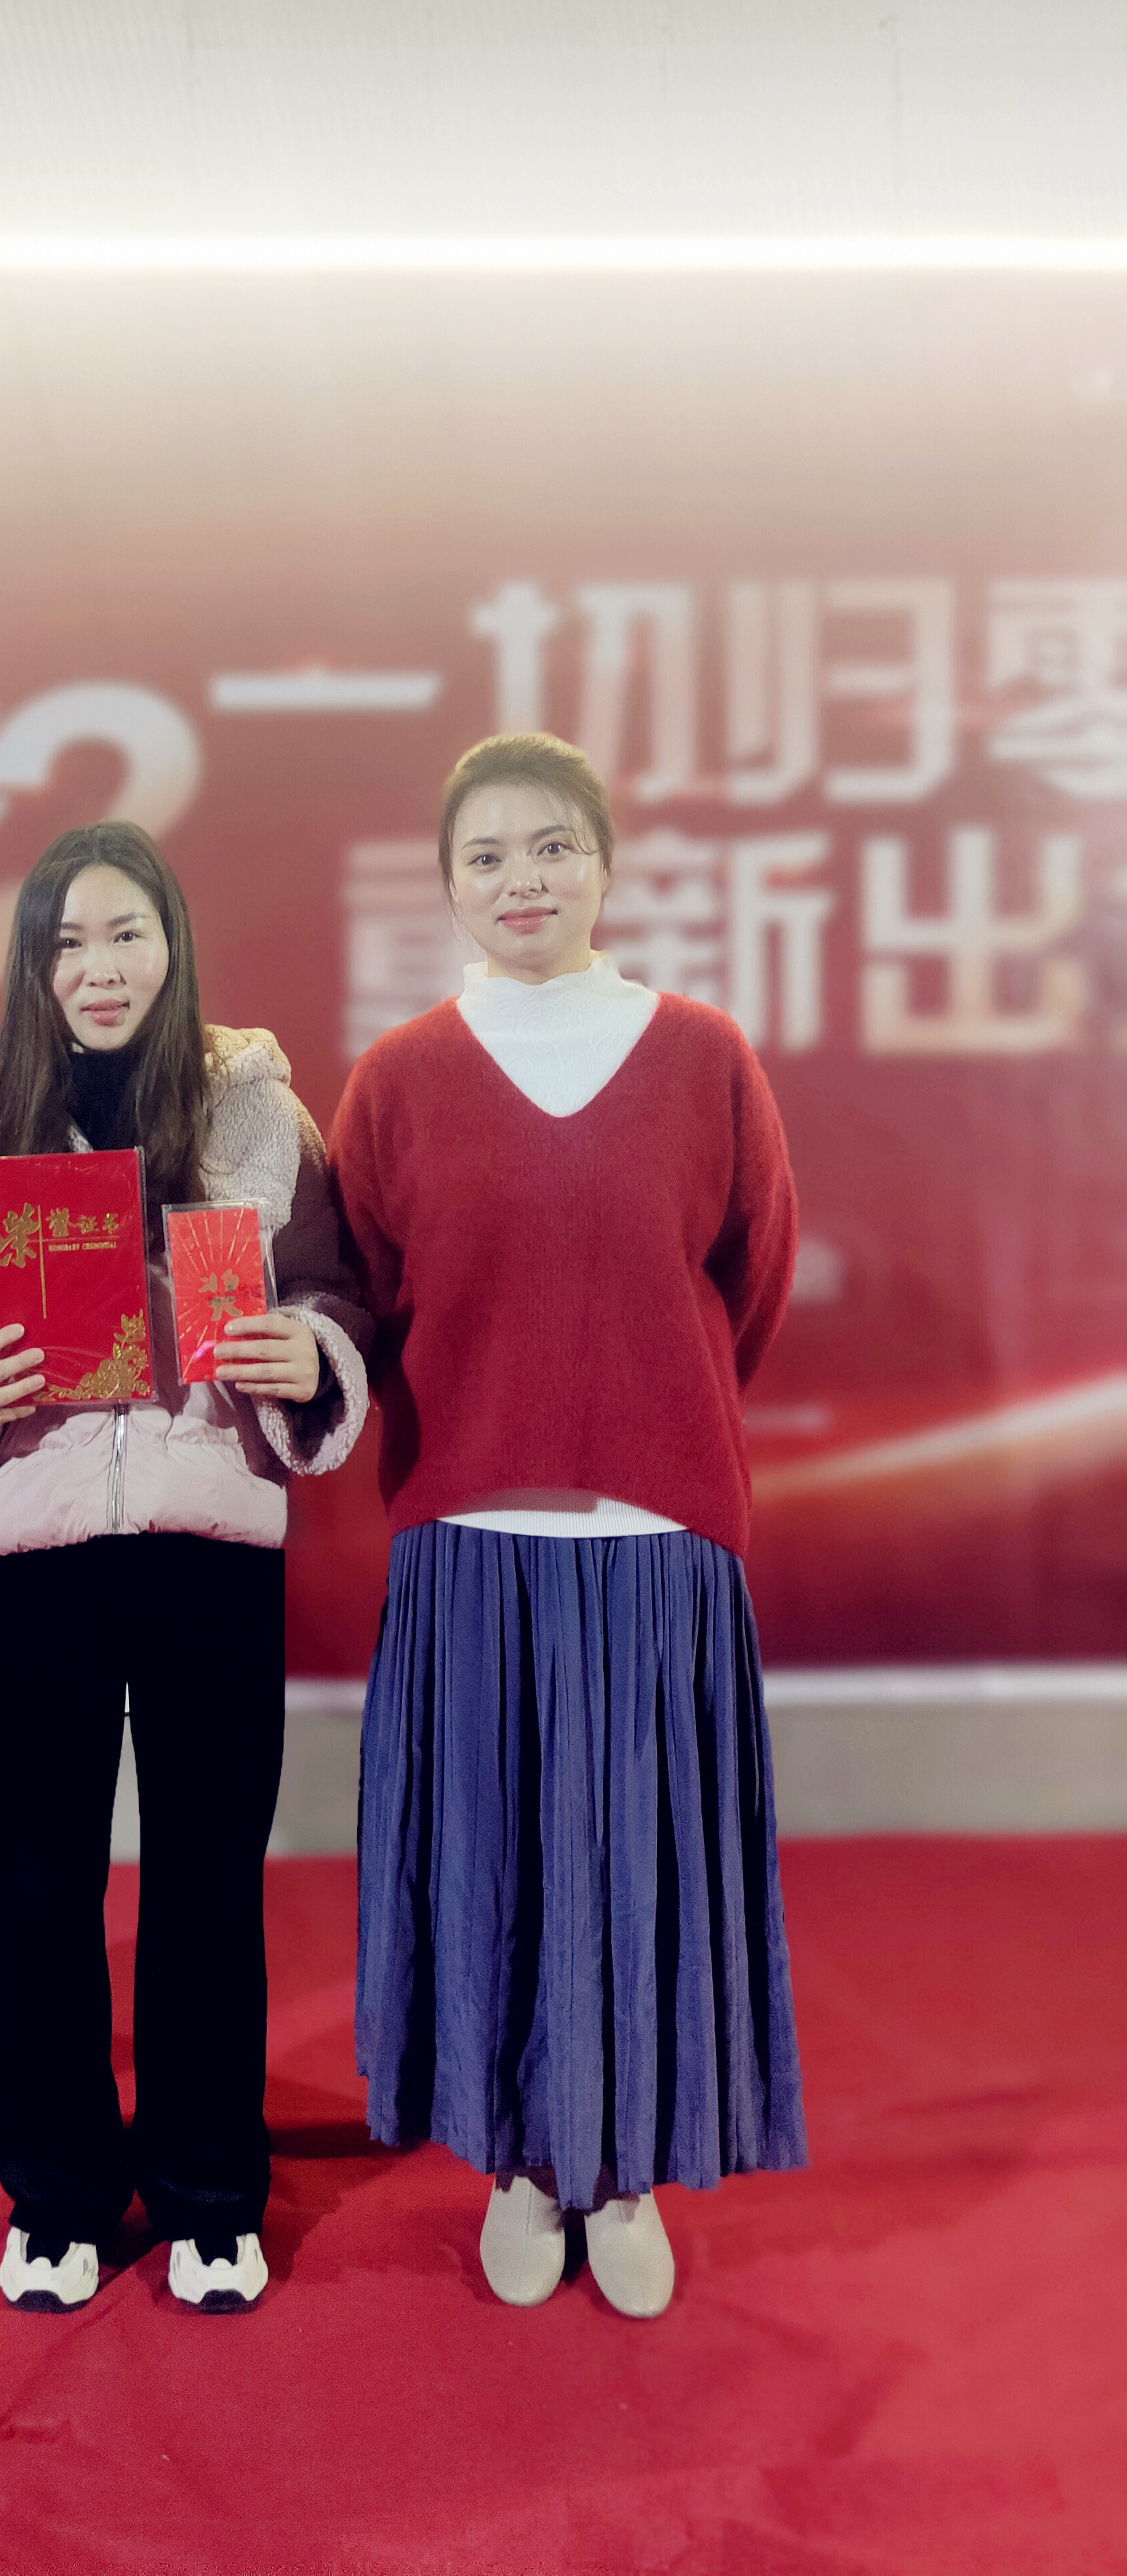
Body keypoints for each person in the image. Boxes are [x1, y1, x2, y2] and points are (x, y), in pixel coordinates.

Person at [0, 820, 370, 2314]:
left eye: (125, 932)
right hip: (32, 1549)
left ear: (173, 944)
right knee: (43, 1889)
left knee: (207, 1884)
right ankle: (60, 2193)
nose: (97, 967)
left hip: (210, 1544)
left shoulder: (257, 1107)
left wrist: (307, 1353)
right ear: (31, 962)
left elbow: (338, 1291)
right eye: (65, 940)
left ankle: (210, 2190)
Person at [328, 731, 807, 2320]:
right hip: (472, 1530)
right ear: (448, 884)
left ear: (603, 862)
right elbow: (370, 1295)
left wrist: (648, 1413)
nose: (520, 878)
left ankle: (632, 2164)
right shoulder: (399, 1077)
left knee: (641, 1869)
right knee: (500, 1868)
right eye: (485, 855)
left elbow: (748, 1279)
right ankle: (523, 2162)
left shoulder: (703, 1053)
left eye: (550, 846)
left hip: (657, 1533)